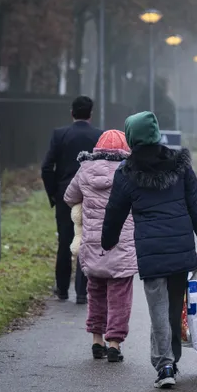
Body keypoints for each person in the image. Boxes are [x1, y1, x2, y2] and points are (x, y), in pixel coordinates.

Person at [101, 112, 197, 389]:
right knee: (173, 307)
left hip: (151, 251)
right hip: (179, 249)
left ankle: (165, 364)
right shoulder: (180, 166)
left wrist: (107, 241)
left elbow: (115, 211)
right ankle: (170, 360)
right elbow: (196, 207)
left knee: (159, 309)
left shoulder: (127, 172)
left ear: (132, 137)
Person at [64, 130, 136, 363]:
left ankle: (97, 340)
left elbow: (69, 197)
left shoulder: (85, 169)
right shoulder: (130, 171)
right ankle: (114, 343)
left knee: (95, 291)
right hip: (121, 243)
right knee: (120, 296)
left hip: (93, 244)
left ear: (97, 148)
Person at [42, 96, 103, 304]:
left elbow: (46, 167)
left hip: (64, 197)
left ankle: (61, 289)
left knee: (65, 241)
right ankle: (82, 292)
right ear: (91, 114)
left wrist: (54, 193)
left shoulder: (60, 135)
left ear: (72, 113)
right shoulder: (99, 136)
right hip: (91, 196)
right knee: (87, 241)